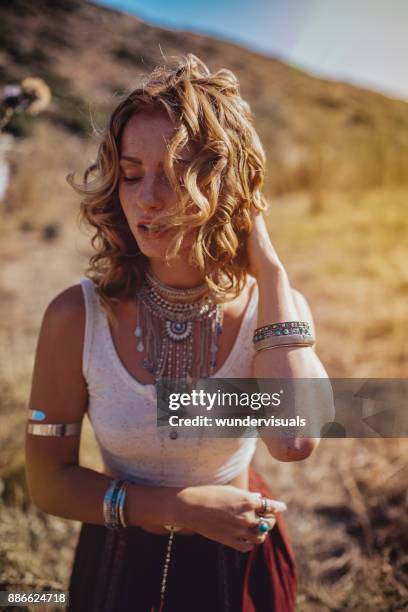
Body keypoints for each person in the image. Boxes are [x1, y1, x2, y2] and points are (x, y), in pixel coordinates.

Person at [25, 54, 331, 611]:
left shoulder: (276, 309)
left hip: (240, 562)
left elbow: (294, 441)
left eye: (177, 172)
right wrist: (180, 509)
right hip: (120, 566)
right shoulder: (76, 316)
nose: (147, 198)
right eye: (133, 173)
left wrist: (270, 267)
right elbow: (48, 482)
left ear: (225, 182)